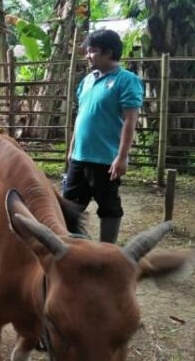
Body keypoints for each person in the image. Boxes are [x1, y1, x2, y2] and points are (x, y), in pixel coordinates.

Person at [64, 29, 143, 244]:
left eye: (93, 51)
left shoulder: (127, 80)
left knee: (108, 205)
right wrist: (72, 148)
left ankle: (107, 249)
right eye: (88, 51)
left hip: (106, 159)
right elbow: (81, 116)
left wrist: (122, 157)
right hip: (80, 156)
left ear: (109, 53)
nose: (88, 55)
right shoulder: (87, 81)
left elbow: (130, 120)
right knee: (69, 204)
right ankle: (73, 247)